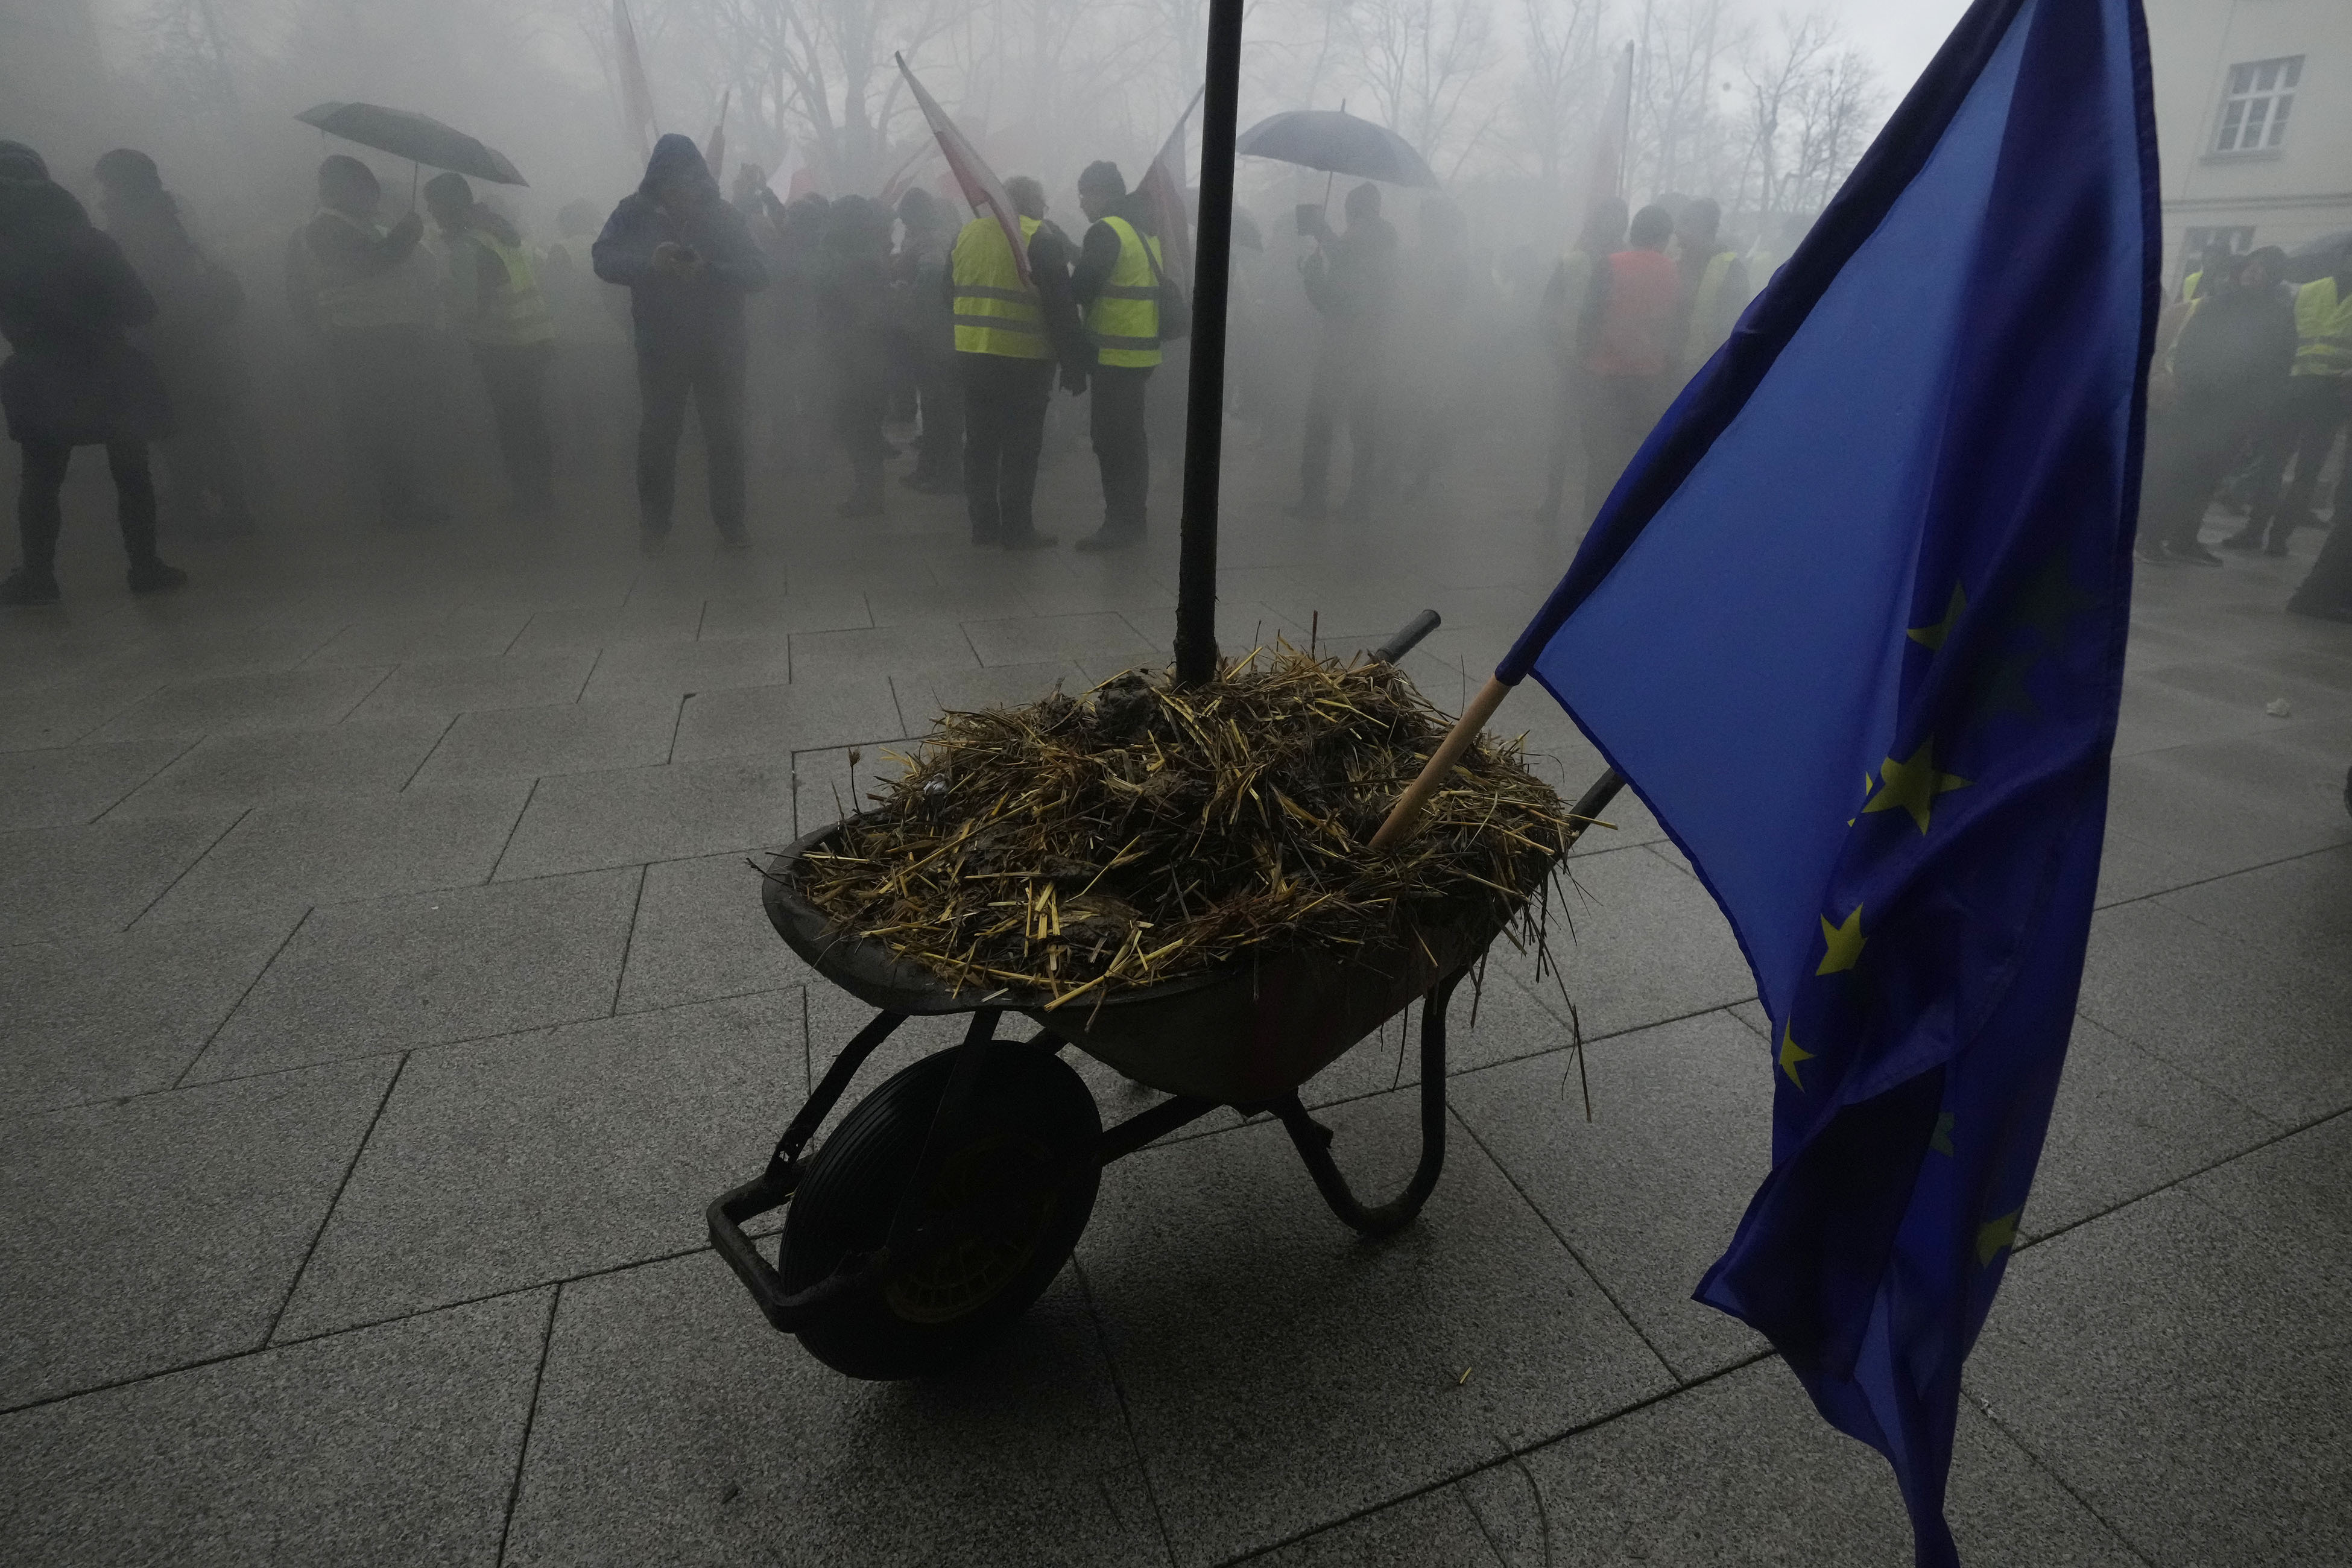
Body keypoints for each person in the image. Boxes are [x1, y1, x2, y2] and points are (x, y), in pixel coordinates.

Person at [0, 142, 186, 604]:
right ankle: (145, 566)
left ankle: (39, 577)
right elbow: (142, 309)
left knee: (42, 478)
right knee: (131, 469)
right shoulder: (92, 240)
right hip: (109, 368)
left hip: (39, 372)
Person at [593, 134, 770, 551]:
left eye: (688, 185)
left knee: (725, 433)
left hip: (720, 344)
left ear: (701, 182)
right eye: (671, 185)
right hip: (660, 343)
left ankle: (732, 522)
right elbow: (603, 259)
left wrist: (711, 271)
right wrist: (650, 264)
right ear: (656, 184)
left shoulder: (723, 216)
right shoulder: (632, 214)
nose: (681, 194)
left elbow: (760, 272)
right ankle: (654, 524)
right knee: (658, 434)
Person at [92, 148, 254, 537]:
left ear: (124, 186)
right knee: (205, 426)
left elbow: (142, 291)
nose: (102, 196)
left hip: (164, 342)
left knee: (178, 430)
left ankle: (199, 510)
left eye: (108, 185)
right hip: (196, 338)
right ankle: (229, 507)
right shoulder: (174, 217)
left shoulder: (137, 229)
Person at [290, 154, 446, 530]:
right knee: (382, 423)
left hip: (387, 333)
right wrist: (406, 233)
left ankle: (407, 500)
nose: (371, 200)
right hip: (360, 337)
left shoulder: (360, 224)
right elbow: (371, 264)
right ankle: (396, 507)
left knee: (398, 420)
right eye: (364, 191)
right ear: (339, 189)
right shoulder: (325, 228)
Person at [947, 174, 1087, 549]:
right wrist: (1074, 365)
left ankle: (983, 526)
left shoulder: (968, 234)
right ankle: (1017, 529)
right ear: (1035, 204)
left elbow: (949, 291)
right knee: (1021, 448)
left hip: (974, 355)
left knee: (979, 444)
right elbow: (1061, 307)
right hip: (1025, 360)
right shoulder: (1040, 239)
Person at [2139, 247, 2295, 566]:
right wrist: (2189, 387)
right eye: (2252, 266)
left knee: (2208, 478)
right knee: (2176, 471)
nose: (2255, 273)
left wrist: (2258, 409)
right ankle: (2150, 538)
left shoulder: (2278, 315)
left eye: (2264, 269)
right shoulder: (2217, 304)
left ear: (2275, 276)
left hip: (2236, 411)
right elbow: (2189, 351)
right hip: (2196, 403)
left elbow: (2279, 365)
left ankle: (2185, 539)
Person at [422, 173, 556, 516]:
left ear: (447, 206)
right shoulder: (503, 234)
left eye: (434, 205)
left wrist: (444, 295)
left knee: (513, 426)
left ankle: (528, 499)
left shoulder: (467, 246)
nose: (431, 212)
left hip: (502, 346)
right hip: (534, 338)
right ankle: (542, 495)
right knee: (532, 421)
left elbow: (469, 309)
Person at [2227, 237, 2351, 561]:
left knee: (2308, 472)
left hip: (2332, 396)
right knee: (2272, 463)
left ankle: (2280, 537)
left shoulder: (2309, 291)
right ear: (2342, 257)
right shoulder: (2309, 292)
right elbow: (2284, 339)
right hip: (2293, 391)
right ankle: (2255, 530)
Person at [1069, 160, 1164, 551]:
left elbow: (1083, 286)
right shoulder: (1142, 230)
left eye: (1084, 196)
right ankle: (1134, 519)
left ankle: (1118, 524)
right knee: (1132, 442)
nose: (1081, 206)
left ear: (1101, 194)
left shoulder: (1106, 230)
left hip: (1114, 355)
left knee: (1111, 443)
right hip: (1139, 354)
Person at [1290, 180, 1397, 523]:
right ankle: (1359, 499)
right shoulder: (1383, 243)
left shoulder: (1358, 243)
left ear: (1355, 211)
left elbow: (1335, 301)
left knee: (1321, 421)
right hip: (1372, 348)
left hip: (1342, 348)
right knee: (1364, 425)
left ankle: (1313, 498)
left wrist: (1312, 276)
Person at [1580, 203, 1682, 522]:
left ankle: (1592, 526)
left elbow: (1589, 318)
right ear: (1664, 237)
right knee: (1639, 459)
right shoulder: (1673, 270)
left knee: (1602, 460)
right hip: (1649, 378)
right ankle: (1631, 526)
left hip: (1606, 375)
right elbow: (1675, 324)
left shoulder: (1609, 264)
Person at [1538, 197, 1628, 525]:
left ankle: (1554, 505)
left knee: (1566, 437)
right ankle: (1591, 515)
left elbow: (1547, 314)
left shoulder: (1573, 260)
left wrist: (1559, 353)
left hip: (1575, 361)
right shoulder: (1624, 262)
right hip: (1605, 366)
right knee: (1597, 445)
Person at [538, 197, 634, 476]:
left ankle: (588, 457)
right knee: (614, 397)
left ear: (567, 223)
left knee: (581, 398)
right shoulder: (611, 247)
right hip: (612, 334)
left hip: (576, 334)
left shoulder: (561, 250)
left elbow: (551, 292)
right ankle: (624, 457)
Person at [817, 195, 898, 518]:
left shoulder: (859, 261)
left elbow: (863, 312)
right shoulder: (862, 255)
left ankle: (870, 494)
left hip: (861, 358)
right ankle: (868, 490)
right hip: (861, 356)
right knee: (860, 426)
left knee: (859, 426)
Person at [896, 187, 963, 494]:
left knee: (940, 407)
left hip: (935, 335)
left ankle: (944, 473)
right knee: (935, 406)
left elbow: (932, 277)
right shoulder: (936, 235)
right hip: (937, 333)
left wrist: (906, 298)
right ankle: (930, 467)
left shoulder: (932, 240)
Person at [1674, 197, 1749, 378]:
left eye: (1686, 224)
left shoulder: (1731, 267)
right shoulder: (1677, 260)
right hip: (1672, 364)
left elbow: (1734, 322)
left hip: (1705, 367)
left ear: (1703, 228)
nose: (1678, 232)